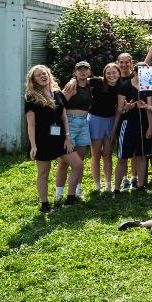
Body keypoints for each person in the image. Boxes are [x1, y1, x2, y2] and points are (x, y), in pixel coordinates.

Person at [25, 65, 82, 212]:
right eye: (39, 75)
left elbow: (64, 117)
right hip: (42, 140)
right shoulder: (31, 97)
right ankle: (45, 205)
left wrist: (68, 137)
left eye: (44, 73)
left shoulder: (57, 93)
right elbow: (31, 124)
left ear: (49, 75)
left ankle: (70, 198)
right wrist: (33, 146)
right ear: (34, 80)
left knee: (78, 165)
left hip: (60, 139)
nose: (43, 76)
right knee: (44, 173)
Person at [115, 63, 152, 194]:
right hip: (127, 124)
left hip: (143, 125)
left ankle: (140, 185)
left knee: (142, 156)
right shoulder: (124, 85)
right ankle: (116, 188)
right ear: (134, 72)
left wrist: (150, 127)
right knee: (122, 158)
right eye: (140, 71)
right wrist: (126, 108)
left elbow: (149, 109)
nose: (142, 74)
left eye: (145, 71)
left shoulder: (149, 86)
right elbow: (120, 109)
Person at [57, 61, 93, 200]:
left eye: (85, 69)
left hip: (84, 123)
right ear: (75, 73)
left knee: (79, 161)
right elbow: (59, 105)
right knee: (64, 162)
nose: (82, 72)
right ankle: (58, 194)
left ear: (89, 72)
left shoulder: (91, 86)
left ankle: (77, 190)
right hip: (70, 123)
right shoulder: (71, 86)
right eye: (80, 70)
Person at [86, 62, 121, 192]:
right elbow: (81, 79)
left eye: (114, 72)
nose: (111, 75)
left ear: (119, 73)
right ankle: (97, 184)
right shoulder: (98, 82)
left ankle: (108, 184)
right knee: (95, 154)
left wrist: (114, 129)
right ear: (104, 75)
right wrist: (73, 81)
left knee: (107, 154)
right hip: (95, 120)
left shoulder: (121, 87)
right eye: (108, 73)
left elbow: (119, 110)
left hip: (111, 121)